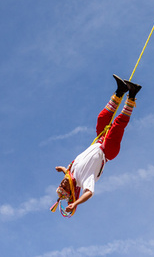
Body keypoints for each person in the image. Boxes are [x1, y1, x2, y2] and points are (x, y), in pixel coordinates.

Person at [51, 75, 141, 216]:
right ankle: (132, 95)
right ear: (71, 190)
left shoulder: (71, 171)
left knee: (102, 119)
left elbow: (65, 173)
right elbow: (89, 193)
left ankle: (120, 91)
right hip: (108, 151)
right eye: (64, 187)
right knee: (117, 125)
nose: (62, 184)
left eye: (60, 184)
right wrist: (75, 203)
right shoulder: (83, 180)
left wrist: (60, 169)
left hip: (100, 140)